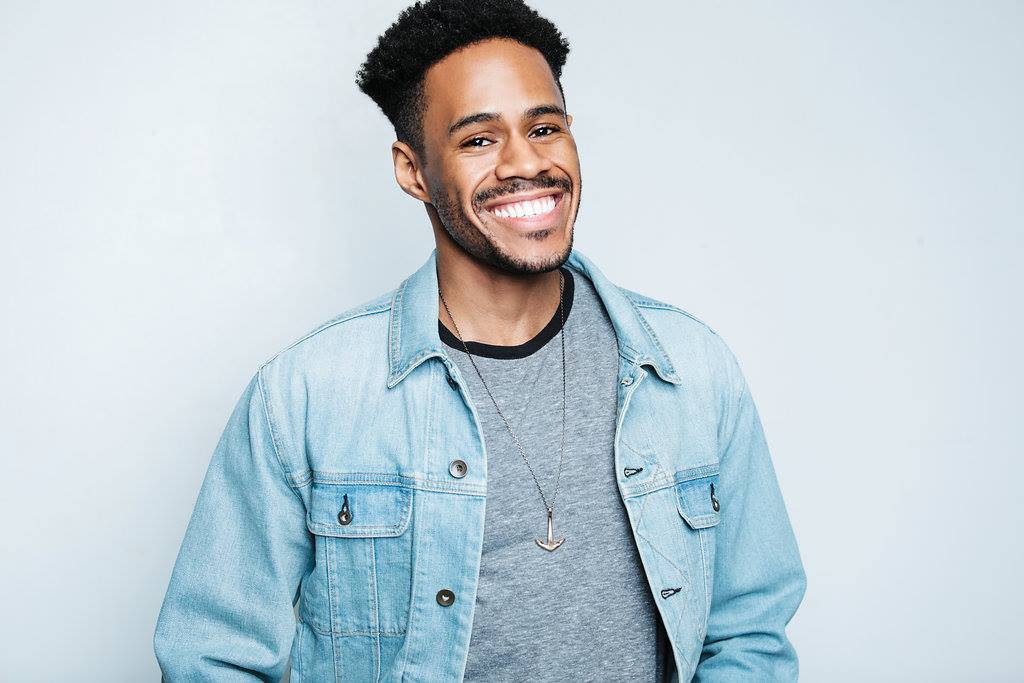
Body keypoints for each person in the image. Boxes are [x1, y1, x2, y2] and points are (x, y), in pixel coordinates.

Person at [153, 0, 807, 680]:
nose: (527, 162)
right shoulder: (307, 395)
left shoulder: (690, 369)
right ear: (413, 171)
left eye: (544, 128)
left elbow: (749, 634)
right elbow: (213, 655)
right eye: (478, 140)